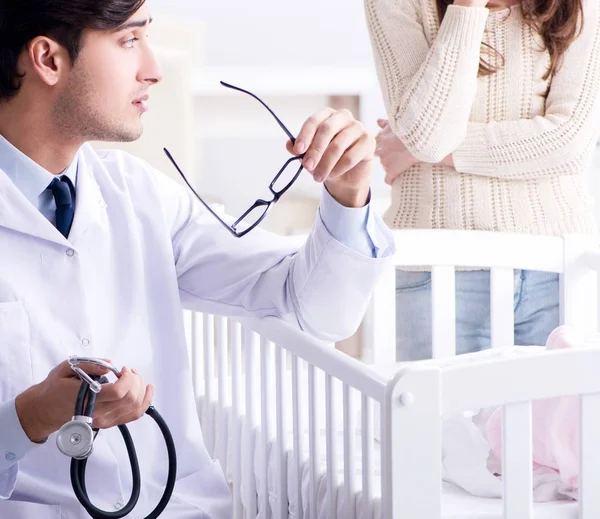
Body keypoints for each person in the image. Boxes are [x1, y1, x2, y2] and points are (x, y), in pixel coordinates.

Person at [0, 1, 395, 517]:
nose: (154, 69)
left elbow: (311, 307)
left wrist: (348, 195)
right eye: (128, 40)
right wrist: (29, 417)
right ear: (48, 60)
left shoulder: (141, 196)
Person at [364, 0, 600, 360]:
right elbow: (428, 135)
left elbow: (569, 144)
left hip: (556, 270)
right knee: (438, 416)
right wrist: (467, 8)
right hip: (436, 273)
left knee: (557, 416)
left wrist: (418, 149)